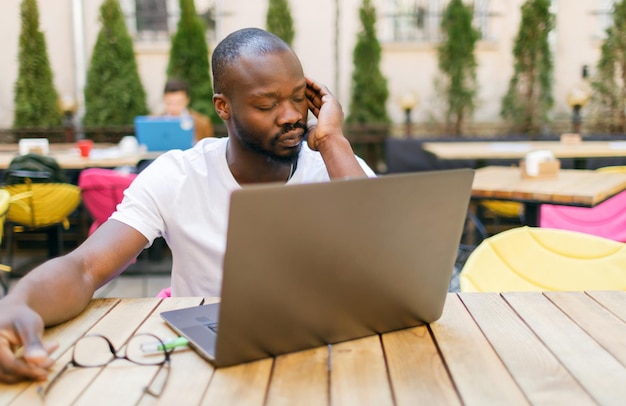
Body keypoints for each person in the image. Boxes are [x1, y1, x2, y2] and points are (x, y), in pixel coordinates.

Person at [0, 27, 374, 384]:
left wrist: (331, 139)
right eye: (267, 103)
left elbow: (381, 258)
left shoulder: (335, 164)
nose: (292, 115)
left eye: (298, 97)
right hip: (208, 364)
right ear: (223, 107)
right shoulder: (178, 175)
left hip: (326, 353)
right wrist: (18, 304)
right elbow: (85, 267)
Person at [161, 78, 214, 143]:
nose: (174, 107)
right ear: (164, 99)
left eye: (178, 103)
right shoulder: (153, 121)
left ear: (187, 100)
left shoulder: (202, 123)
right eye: (170, 102)